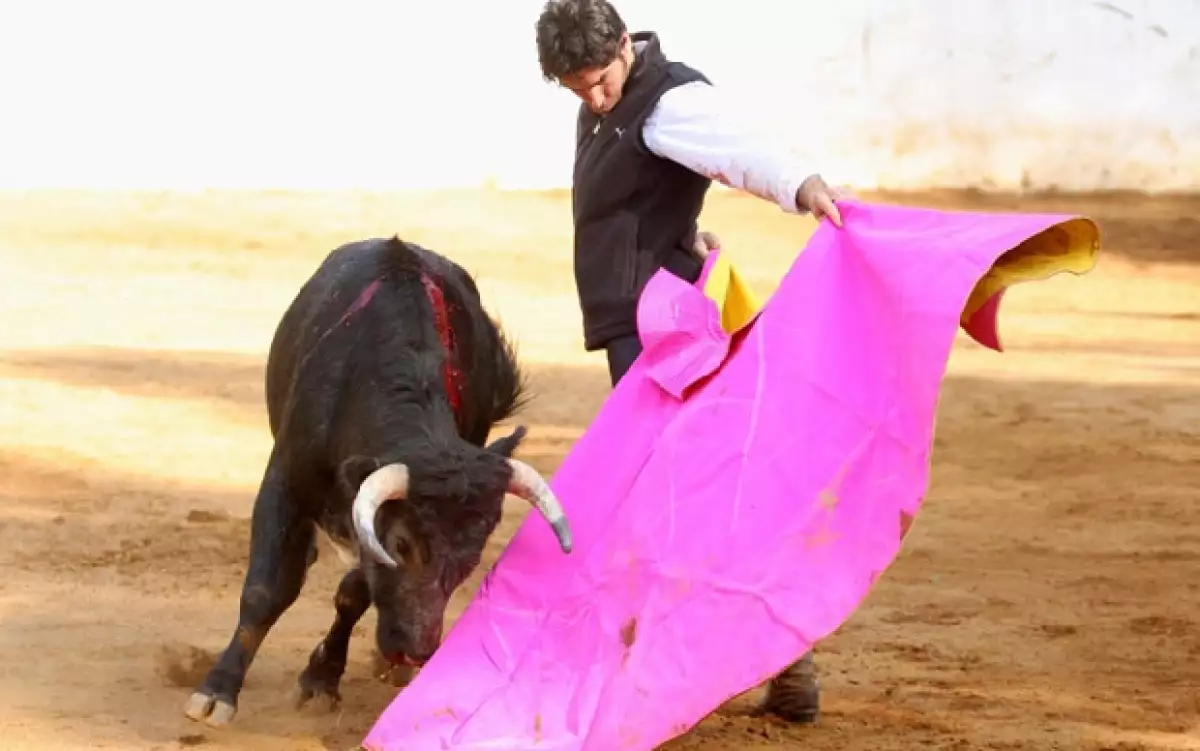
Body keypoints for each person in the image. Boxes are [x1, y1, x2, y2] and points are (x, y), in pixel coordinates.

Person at [535, 0, 836, 723]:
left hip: (661, 333)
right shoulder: (612, 106)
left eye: (599, 78)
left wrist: (804, 186)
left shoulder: (669, 101)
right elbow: (641, 198)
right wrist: (684, 232)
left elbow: (738, 148)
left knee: (675, 498)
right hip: (640, 328)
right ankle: (784, 656)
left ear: (623, 49)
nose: (592, 95)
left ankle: (737, 660)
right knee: (689, 493)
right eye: (576, 86)